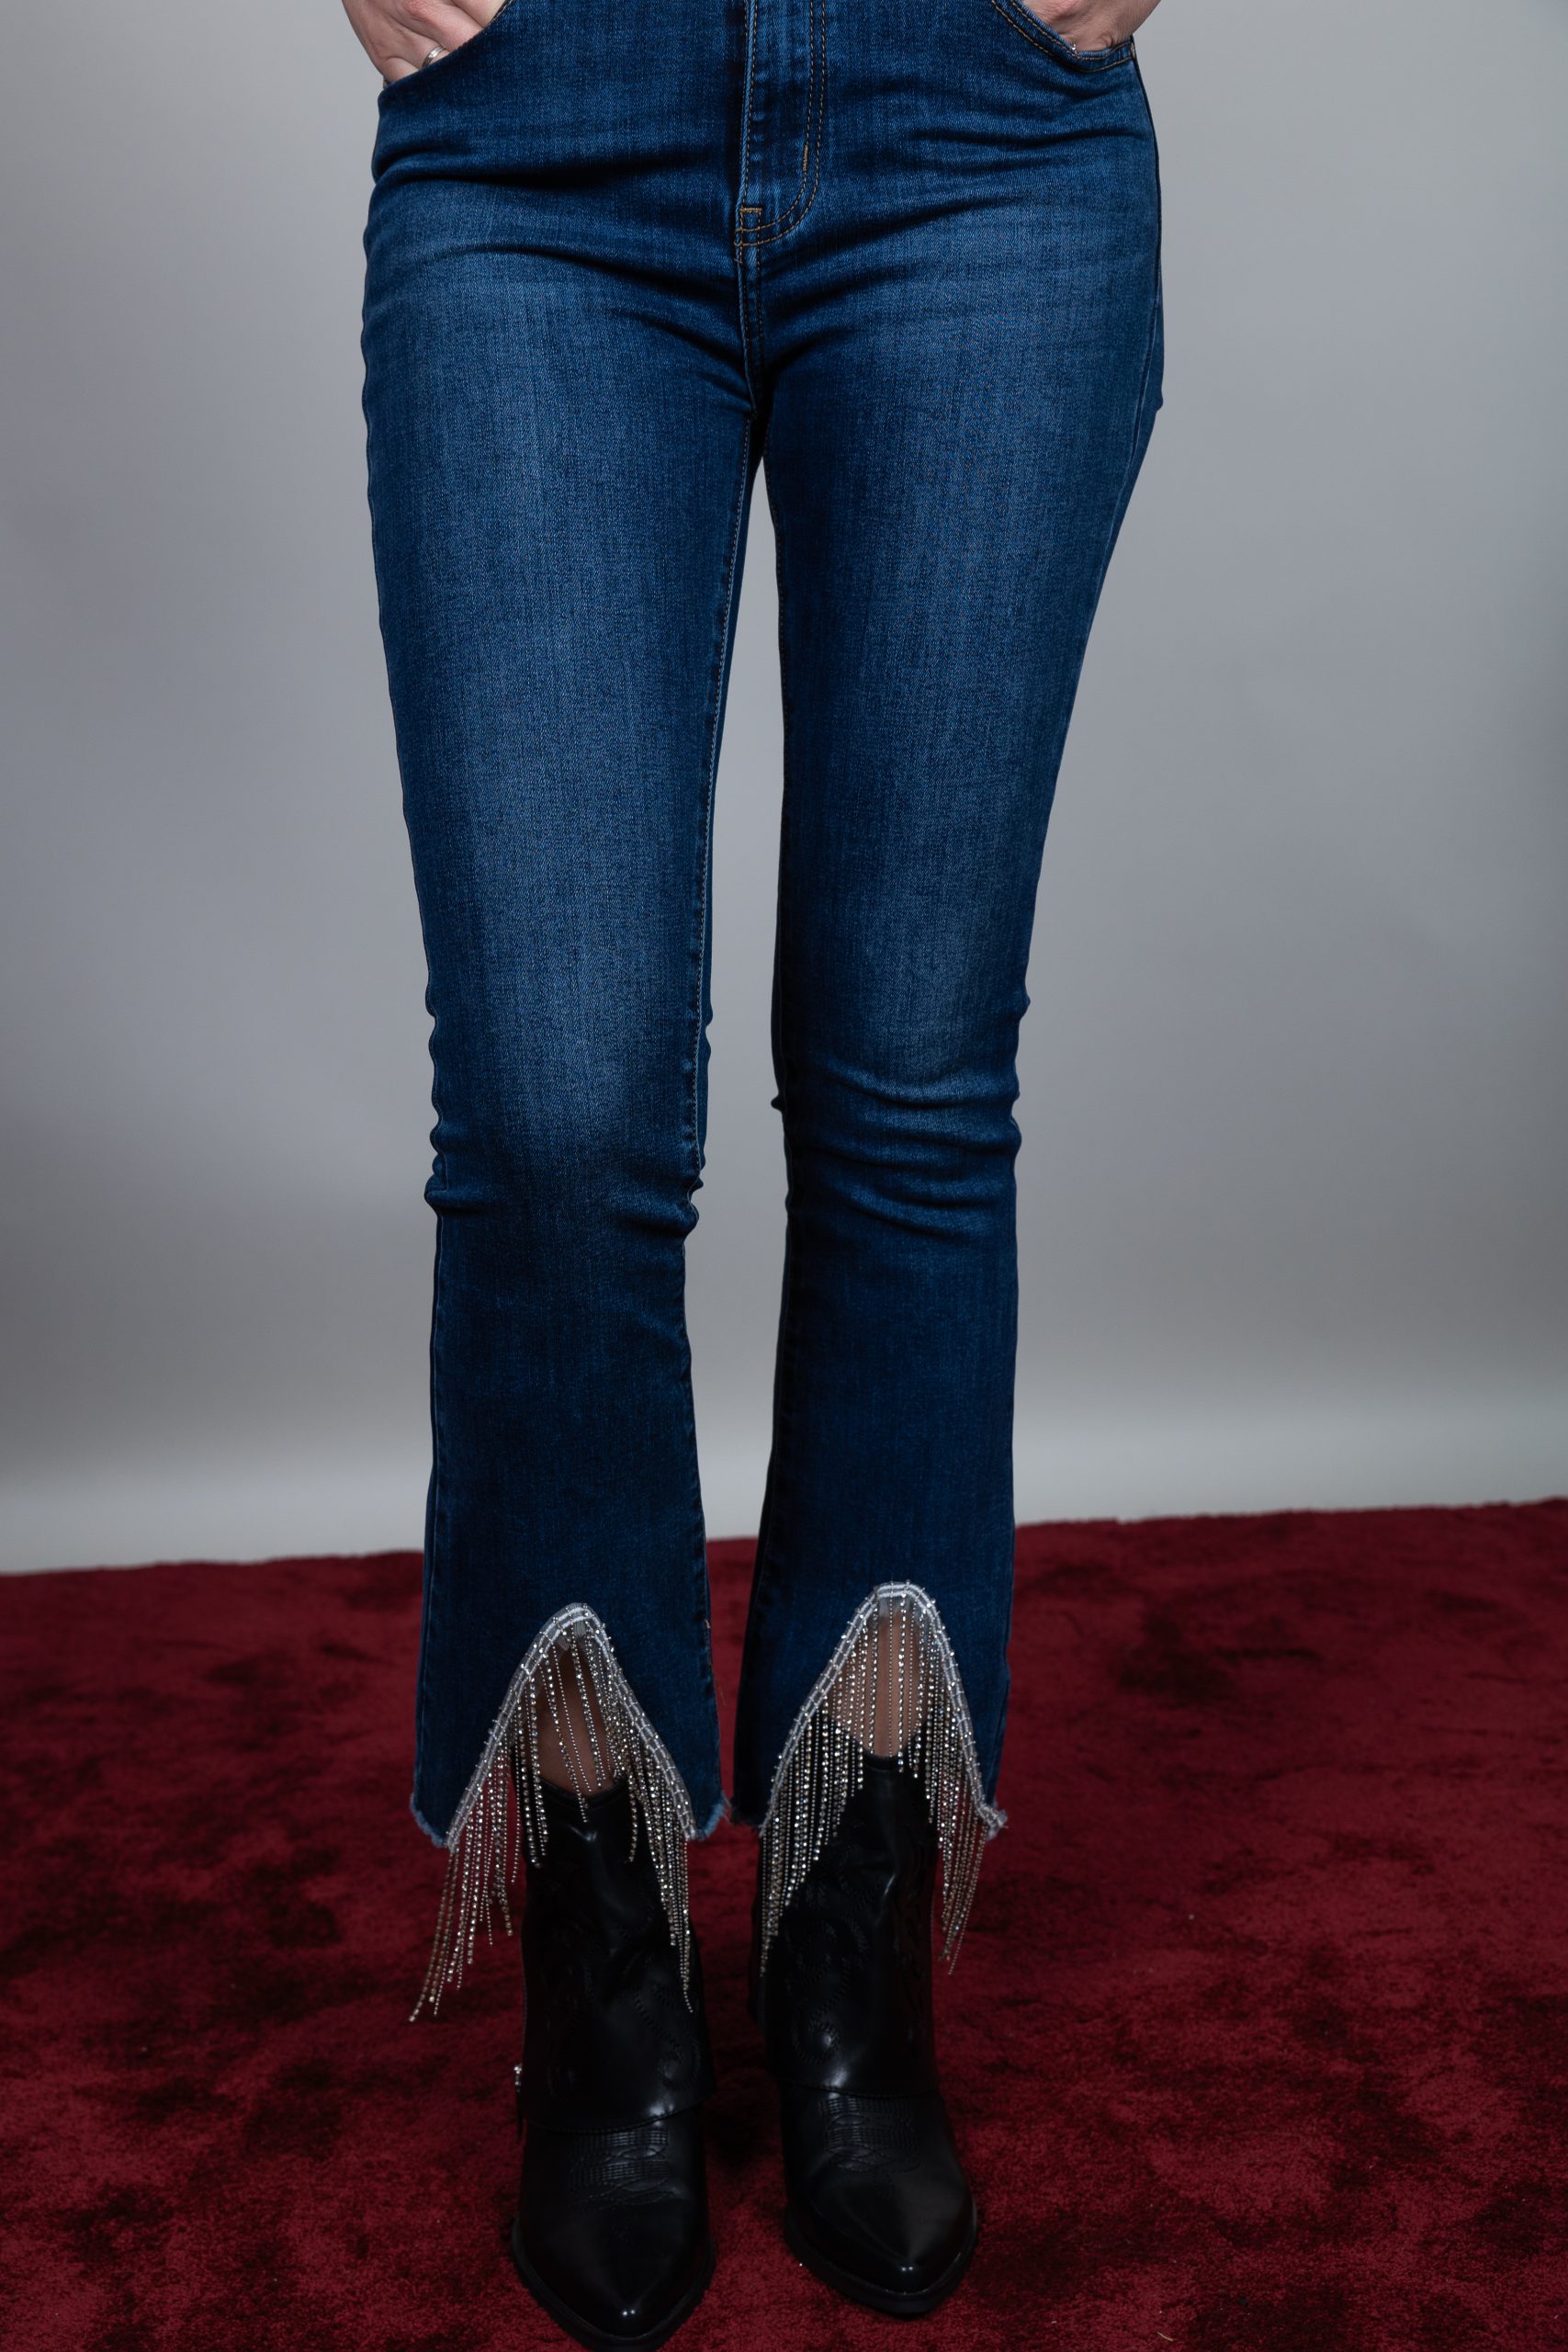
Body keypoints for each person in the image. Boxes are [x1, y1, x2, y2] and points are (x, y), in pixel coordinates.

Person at [347, 0, 1164, 2336]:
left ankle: (847, 1935)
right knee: (555, 1107)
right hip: (539, 140)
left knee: (908, 1083)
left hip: (979, 141)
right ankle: (604, 1964)